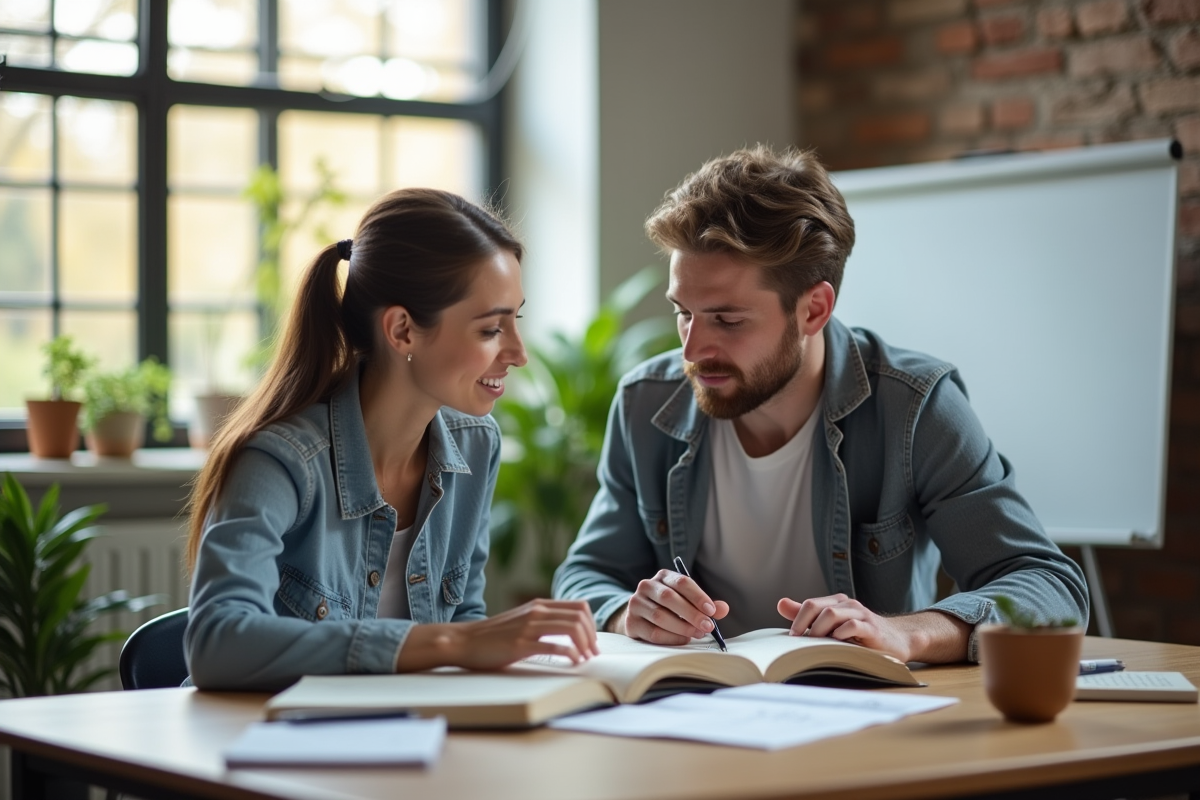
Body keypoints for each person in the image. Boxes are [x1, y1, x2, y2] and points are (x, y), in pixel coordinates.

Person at [552, 146, 1088, 664]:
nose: (691, 350)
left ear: (814, 309)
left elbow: (1048, 586)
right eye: (683, 313)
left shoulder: (914, 406)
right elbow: (583, 576)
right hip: (697, 714)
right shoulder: (647, 401)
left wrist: (905, 634)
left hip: (864, 726)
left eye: (727, 320)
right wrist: (629, 612)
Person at [185, 188, 596, 690]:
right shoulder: (281, 461)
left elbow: (462, 613)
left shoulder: (475, 445)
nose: (518, 352)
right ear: (402, 330)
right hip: (262, 745)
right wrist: (450, 645)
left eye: (517, 320)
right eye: (491, 329)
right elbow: (215, 642)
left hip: (406, 737)